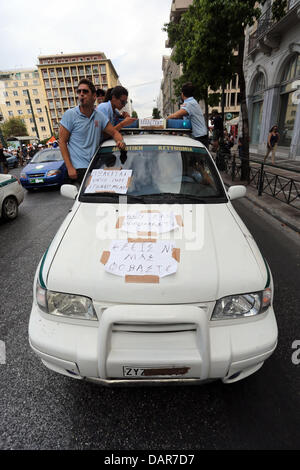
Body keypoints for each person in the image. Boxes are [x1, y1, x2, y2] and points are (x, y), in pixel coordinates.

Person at [59, 78, 126, 185]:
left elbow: (114, 132)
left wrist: (120, 142)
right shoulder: (70, 115)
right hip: (78, 169)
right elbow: (62, 142)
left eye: (85, 92)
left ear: (94, 96)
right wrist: (70, 167)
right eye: (79, 91)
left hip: (95, 167)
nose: (81, 94)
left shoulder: (99, 116)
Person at [166, 82, 209, 148]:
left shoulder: (189, 104)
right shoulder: (192, 102)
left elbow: (176, 115)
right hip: (199, 136)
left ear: (182, 94)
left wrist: (164, 120)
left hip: (199, 138)